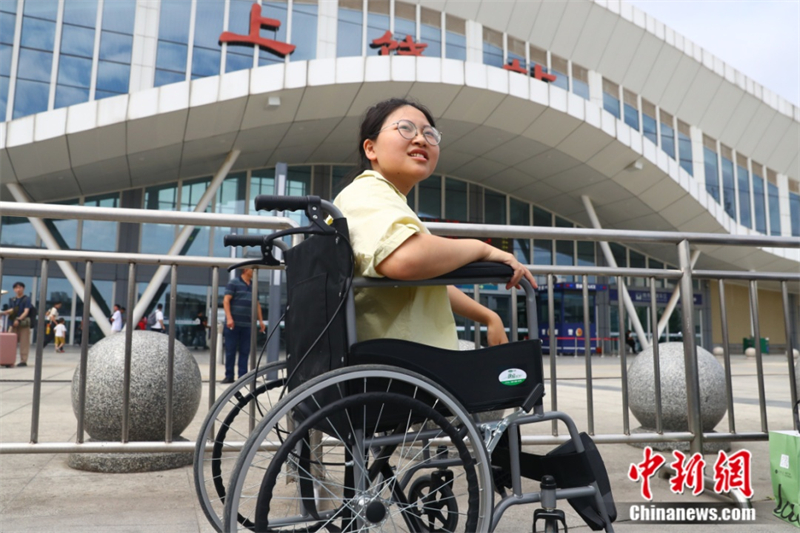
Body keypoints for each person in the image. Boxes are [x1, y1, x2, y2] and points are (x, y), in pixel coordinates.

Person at [333, 98, 536, 350]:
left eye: (429, 133)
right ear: (370, 148)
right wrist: (482, 248)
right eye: (405, 128)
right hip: (401, 360)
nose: (420, 139)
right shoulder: (367, 193)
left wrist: (487, 316)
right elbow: (404, 259)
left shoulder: (383, 199)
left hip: (404, 356)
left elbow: (424, 275)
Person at [222, 268, 266, 383]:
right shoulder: (234, 283)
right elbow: (226, 301)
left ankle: (243, 377)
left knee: (245, 351)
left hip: (248, 325)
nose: (255, 271)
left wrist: (261, 321)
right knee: (230, 350)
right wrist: (229, 318)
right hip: (233, 324)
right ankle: (229, 376)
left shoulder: (253, 285)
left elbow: (257, 304)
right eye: (253, 269)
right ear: (246, 270)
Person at [0, 282, 33, 367]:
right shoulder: (12, 299)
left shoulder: (26, 299)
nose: (18, 289)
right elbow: (12, 309)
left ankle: (23, 360)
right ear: (14, 289)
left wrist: (18, 319)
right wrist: (4, 312)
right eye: (16, 288)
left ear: (23, 288)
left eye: (20, 287)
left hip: (23, 324)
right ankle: (9, 360)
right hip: (12, 323)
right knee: (10, 342)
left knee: (24, 342)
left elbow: (26, 311)